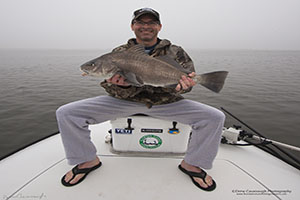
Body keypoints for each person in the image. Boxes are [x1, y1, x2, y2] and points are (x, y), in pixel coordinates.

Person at [56, 8, 225, 191]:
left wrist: (185, 85)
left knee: (215, 117)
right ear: (132, 26)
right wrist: (122, 86)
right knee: (67, 113)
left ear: (159, 27)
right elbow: (109, 87)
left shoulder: (176, 51)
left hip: (167, 103)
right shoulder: (119, 53)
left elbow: (187, 84)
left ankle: (192, 164)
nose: (146, 26)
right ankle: (86, 161)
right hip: (126, 102)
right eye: (140, 23)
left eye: (151, 23)